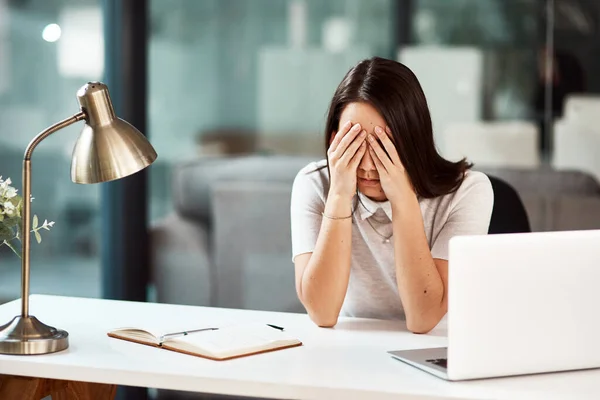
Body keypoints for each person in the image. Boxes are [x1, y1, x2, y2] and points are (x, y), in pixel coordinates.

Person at [290, 57, 493, 334]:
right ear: (334, 140)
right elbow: (322, 313)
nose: (368, 166)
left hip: (440, 346)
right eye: (355, 143)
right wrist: (338, 195)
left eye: (383, 146)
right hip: (351, 350)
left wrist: (404, 200)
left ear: (412, 140)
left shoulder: (468, 192)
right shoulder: (314, 184)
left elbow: (423, 319)